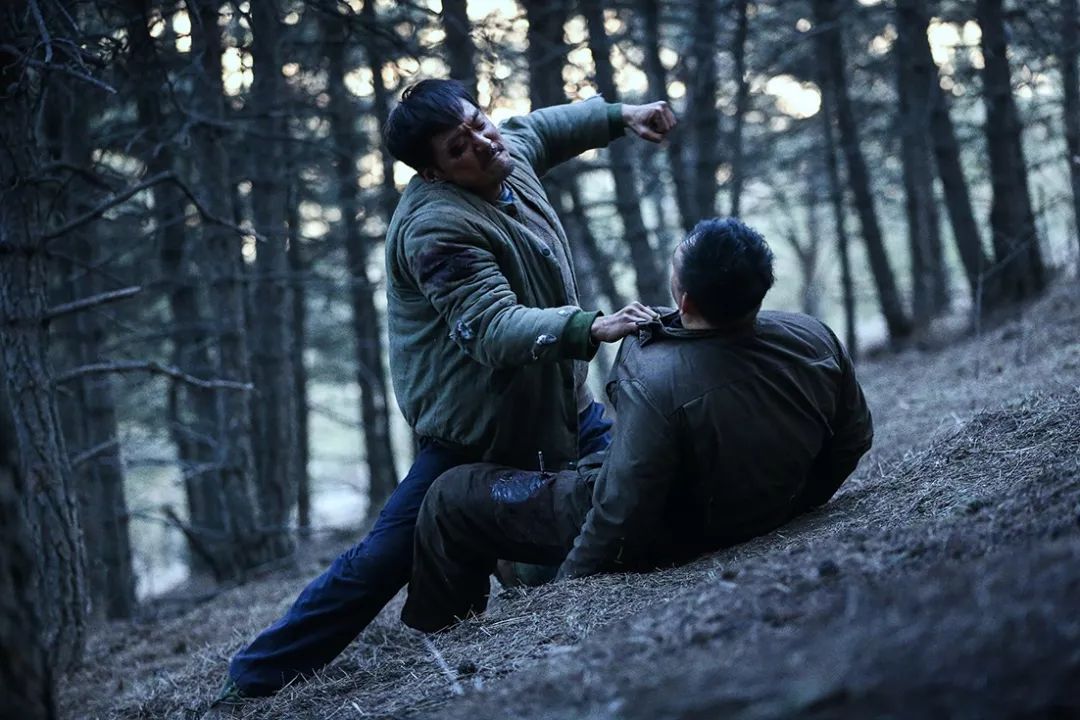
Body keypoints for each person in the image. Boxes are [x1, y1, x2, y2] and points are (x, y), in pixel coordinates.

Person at [210, 80, 677, 707]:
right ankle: (252, 677)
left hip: (563, 410)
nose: (483, 142)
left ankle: (521, 563)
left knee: (635, 490)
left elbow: (543, 127)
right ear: (433, 171)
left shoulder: (504, 153)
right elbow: (490, 326)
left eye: (479, 122)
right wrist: (587, 327)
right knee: (384, 560)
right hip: (475, 433)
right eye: (460, 146)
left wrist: (622, 116)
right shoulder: (435, 230)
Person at [400, 217, 874, 632]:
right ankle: (521, 572)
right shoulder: (813, 335)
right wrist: (792, 502)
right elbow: (854, 438)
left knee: (450, 497)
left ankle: (439, 640)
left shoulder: (657, 382)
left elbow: (619, 511)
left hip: (673, 532)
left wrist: (567, 591)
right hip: (731, 507)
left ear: (685, 301)